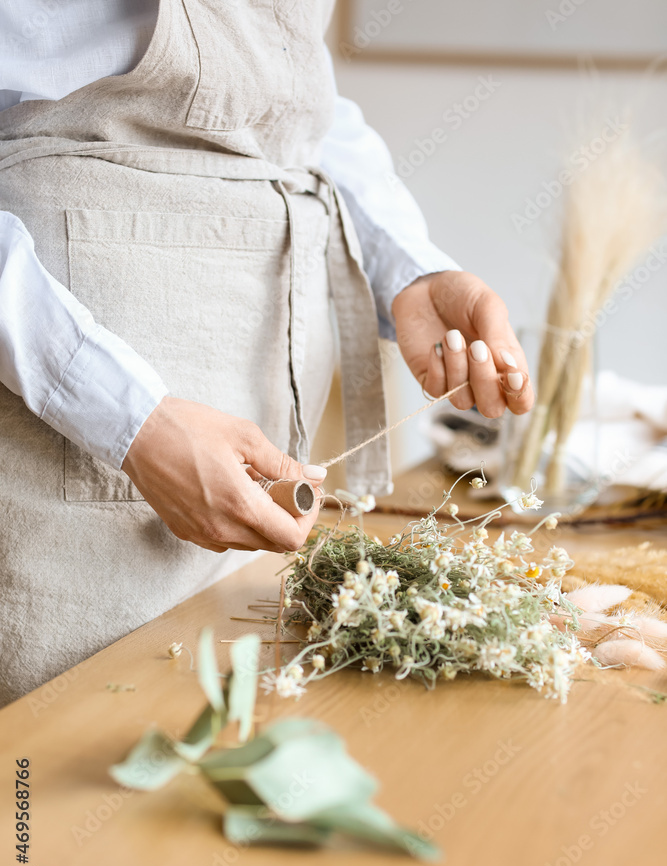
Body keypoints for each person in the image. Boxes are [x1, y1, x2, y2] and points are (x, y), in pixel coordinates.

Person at [0, 0, 533, 705]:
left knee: (217, 747)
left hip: (251, 370)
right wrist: (127, 418)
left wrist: (409, 270)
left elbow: (297, 96)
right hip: (69, 386)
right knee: (55, 766)